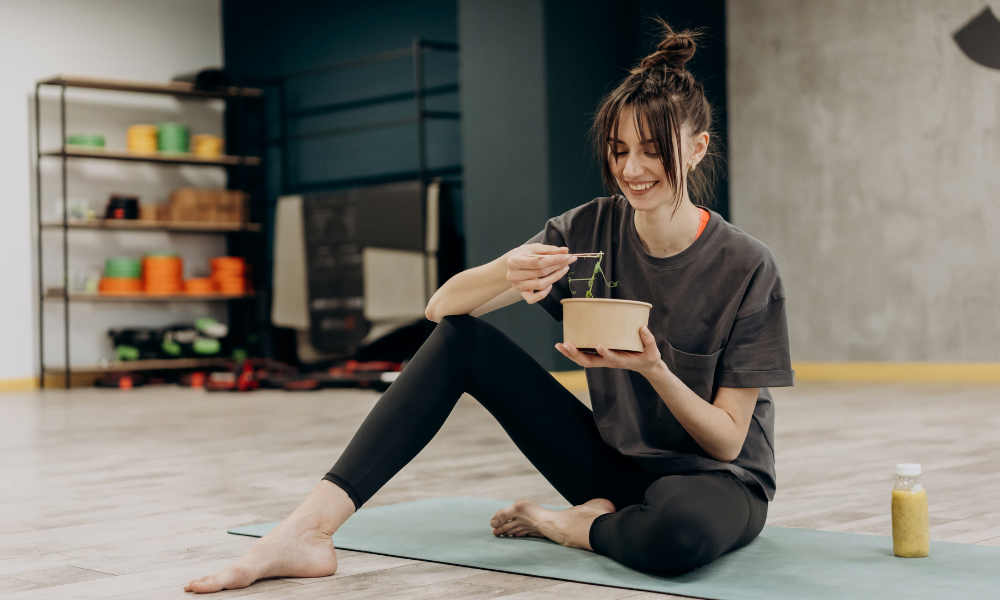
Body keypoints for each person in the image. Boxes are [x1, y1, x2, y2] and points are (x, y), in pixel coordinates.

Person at [185, 20, 793, 594]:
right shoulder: (585, 230)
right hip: (614, 467)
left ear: (696, 149)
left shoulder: (746, 267)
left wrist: (653, 369)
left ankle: (568, 525)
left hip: (716, 484)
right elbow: (440, 308)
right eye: (618, 150)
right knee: (460, 340)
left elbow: (725, 443)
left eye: (652, 151)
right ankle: (308, 530)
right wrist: (507, 269)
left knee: (677, 536)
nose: (631, 170)